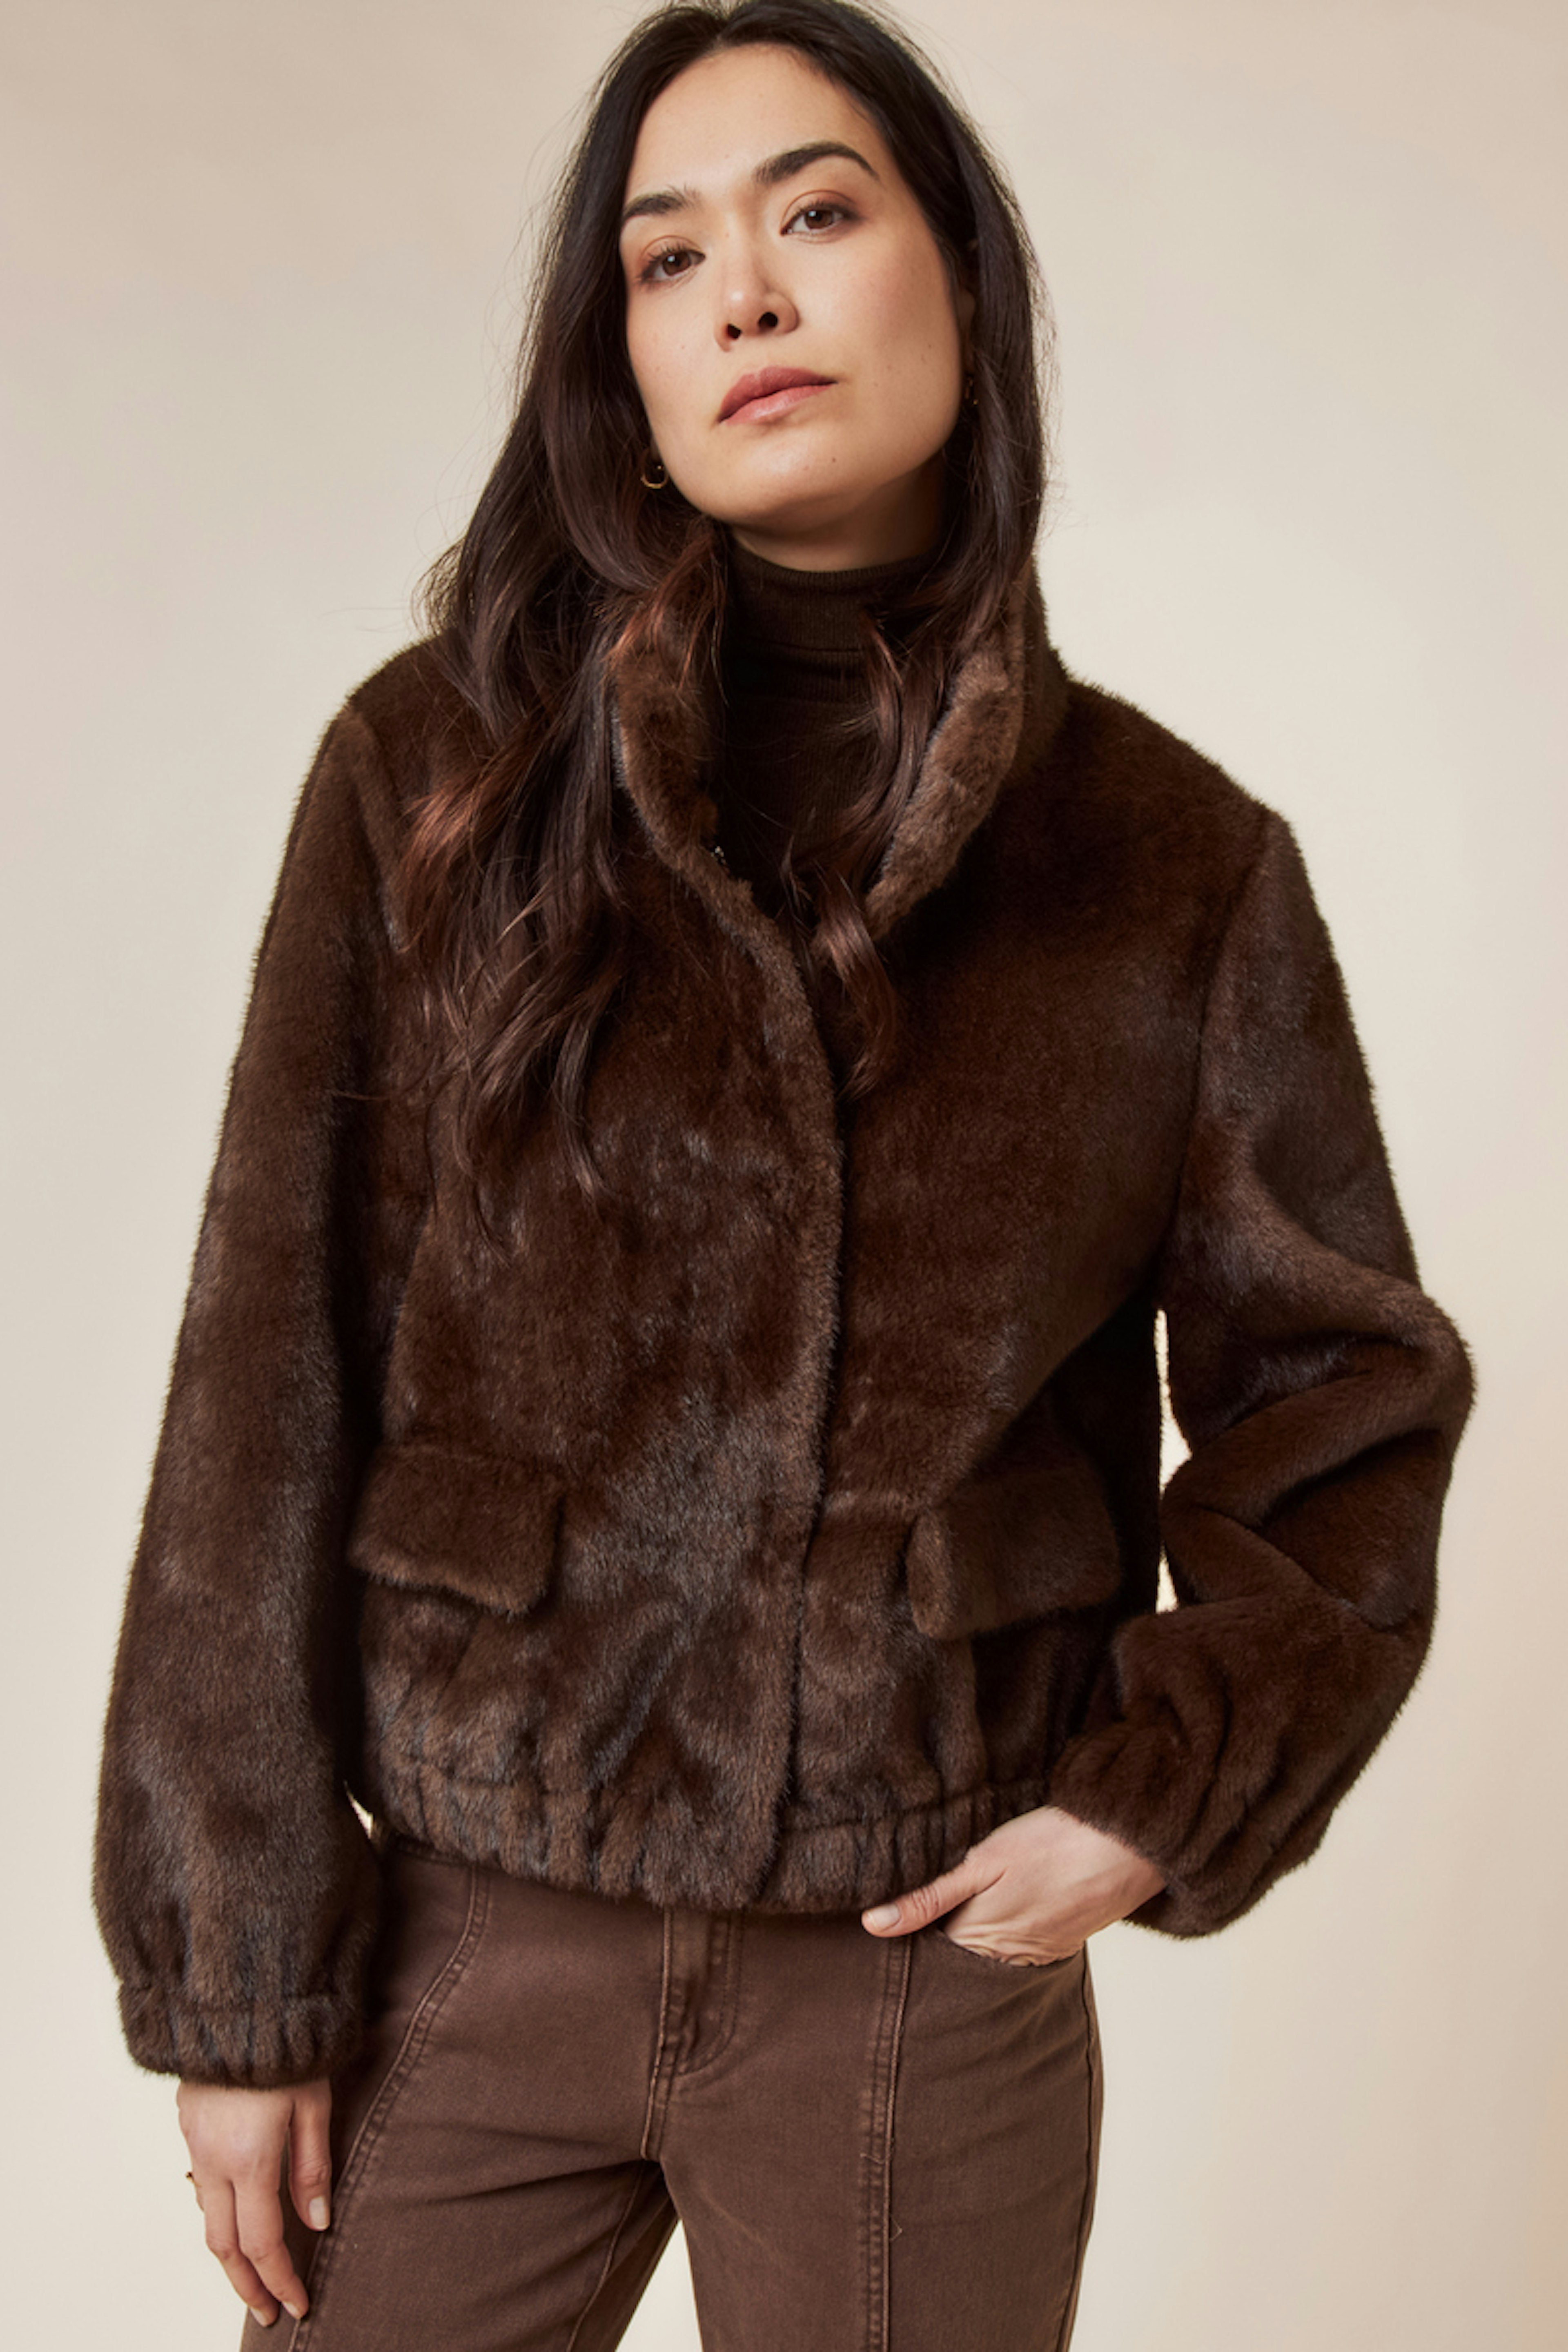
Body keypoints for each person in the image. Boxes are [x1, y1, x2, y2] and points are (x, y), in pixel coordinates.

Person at [92, 2, 1475, 2346]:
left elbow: (1341, 1398)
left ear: (962, 275)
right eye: (666, 258)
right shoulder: (431, 780)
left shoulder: (1174, 863)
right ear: (620, 361)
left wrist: (1160, 1791)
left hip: (917, 1973)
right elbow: (262, 1378)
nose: (744, 293)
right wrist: (237, 1984)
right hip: (467, 1936)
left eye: (816, 212)